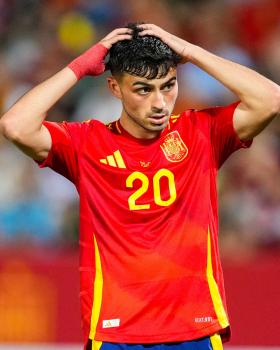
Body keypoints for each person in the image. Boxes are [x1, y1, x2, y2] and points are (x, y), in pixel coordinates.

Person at [0, 22, 279, 350]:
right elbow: (15, 125)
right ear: (115, 88)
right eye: (143, 89)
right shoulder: (87, 144)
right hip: (117, 330)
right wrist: (78, 67)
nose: (160, 102)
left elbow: (270, 99)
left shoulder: (201, 133)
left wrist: (191, 51)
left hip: (194, 327)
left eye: (168, 85)